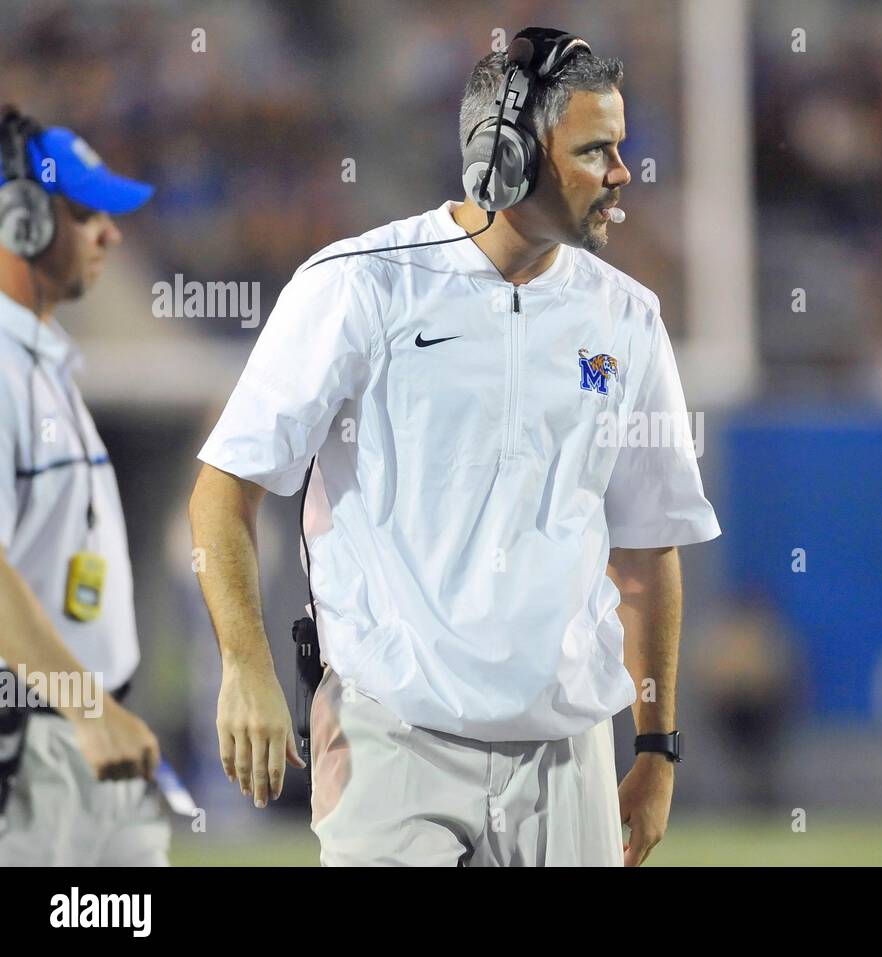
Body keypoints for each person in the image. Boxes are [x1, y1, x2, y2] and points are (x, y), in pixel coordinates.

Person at [189, 27, 721, 866]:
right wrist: (243, 663)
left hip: (565, 750)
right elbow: (225, 486)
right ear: (503, 158)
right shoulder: (359, 286)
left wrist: (656, 747)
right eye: (596, 150)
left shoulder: (627, 317)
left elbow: (648, 548)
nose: (623, 175)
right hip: (392, 735)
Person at [0, 106, 169, 865]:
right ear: (20, 218)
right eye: (85, 212)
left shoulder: (43, 359)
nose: (112, 233)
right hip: (31, 750)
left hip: (88, 739)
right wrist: (88, 707)